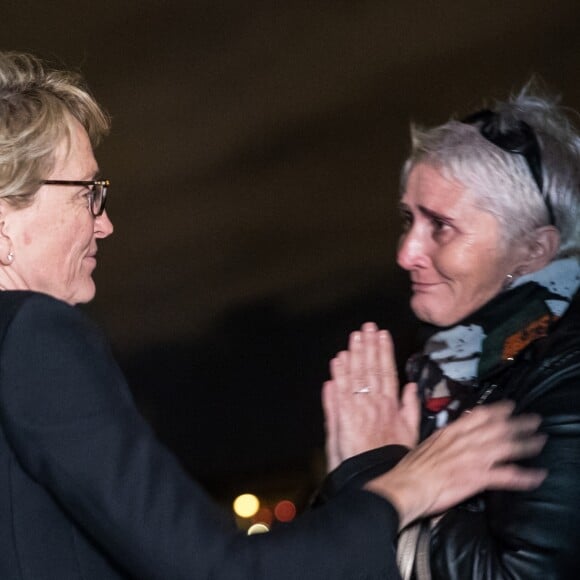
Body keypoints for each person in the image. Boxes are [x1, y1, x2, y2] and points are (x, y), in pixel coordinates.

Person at [0, 50, 547, 580]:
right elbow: (221, 571)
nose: (105, 224)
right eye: (88, 193)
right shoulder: (33, 337)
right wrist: (406, 487)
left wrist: (358, 481)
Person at [325, 86, 580, 578]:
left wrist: (382, 476)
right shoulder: (444, 370)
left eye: (441, 226)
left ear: (532, 250)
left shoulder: (566, 374)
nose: (406, 252)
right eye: (408, 219)